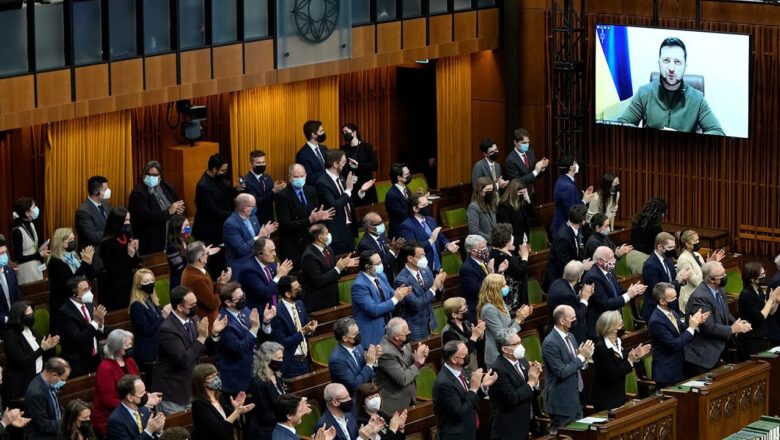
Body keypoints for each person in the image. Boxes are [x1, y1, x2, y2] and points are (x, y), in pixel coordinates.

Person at [617, 37, 724, 134]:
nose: (671, 68)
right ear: (659, 63)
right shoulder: (644, 93)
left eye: (677, 62)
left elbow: (718, 132)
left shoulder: (698, 99)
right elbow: (621, 125)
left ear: (685, 67)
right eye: (666, 60)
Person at [153, 285, 226, 414]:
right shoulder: (167, 330)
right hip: (175, 394)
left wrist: (214, 334)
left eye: (196, 303)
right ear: (180, 307)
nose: (195, 307)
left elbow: (207, 350)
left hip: (193, 389)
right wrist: (202, 338)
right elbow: (183, 360)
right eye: (191, 305)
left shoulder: (194, 319)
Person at [684, 261, 752, 376]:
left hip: (719, 349)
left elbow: (726, 312)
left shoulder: (720, 290)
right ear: (711, 279)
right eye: (723, 275)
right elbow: (708, 328)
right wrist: (732, 329)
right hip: (703, 356)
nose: (726, 277)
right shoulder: (700, 297)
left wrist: (737, 323)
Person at [431, 340, 498, 440]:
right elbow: (461, 412)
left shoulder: (460, 370)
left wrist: (483, 386)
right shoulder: (444, 384)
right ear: (454, 359)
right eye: (465, 355)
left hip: (469, 430)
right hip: (456, 436)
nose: (468, 357)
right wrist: (473, 388)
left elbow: (469, 398)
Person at [216, 282, 274, 394]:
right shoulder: (224, 323)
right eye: (239, 298)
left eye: (243, 295)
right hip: (239, 378)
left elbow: (257, 338)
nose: (243, 299)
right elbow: (239, 349)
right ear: (228, 302)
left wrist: (266, 322)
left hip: (256, 370)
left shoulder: (245, 310)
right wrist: (254, 328)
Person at [648, 282, 709, 388]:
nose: (676, 300)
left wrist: (696, 322)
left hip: (680, 367)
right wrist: (692, 327)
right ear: (662, 301)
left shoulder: (673, 313)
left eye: (676, 296)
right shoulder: (656, 321)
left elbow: (684, 332)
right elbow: (674, 344)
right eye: (672, 298)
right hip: (666, 373)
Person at [542, 305, 594, 428]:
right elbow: (561, 372)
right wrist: (581, 357)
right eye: (572, 318)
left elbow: (575, 364)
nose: (575, 320)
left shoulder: (570, 336)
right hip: (562, 403)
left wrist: (585, 359)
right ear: (562, 321)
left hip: (576, 398)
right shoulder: (550, 343)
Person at [274, 163, 334, 268]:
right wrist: (309, 220)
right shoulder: (282, 196)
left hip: (311, 241)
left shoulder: (310, 190)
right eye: (296, 177)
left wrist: (320, 218)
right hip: (294, 246)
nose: (299, 179)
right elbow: (286, 225)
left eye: (302, 176)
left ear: (306, 175)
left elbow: (316, 214)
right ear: (290, 177)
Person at [589, 311, 651, 411]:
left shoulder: (618, 341)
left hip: (619, 396)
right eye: (619, 320)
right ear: (611, 327)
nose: (622, 321)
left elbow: (625, 364)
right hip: (606, 399)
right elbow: (613, 374)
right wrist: (630, 360)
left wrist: (636, 356)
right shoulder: (601, 348)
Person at [317, 149, 374, 254]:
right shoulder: (322, 183)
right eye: (343, 162)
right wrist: (348, 190)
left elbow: (349, 200)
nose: (345, 165)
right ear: (335, 164)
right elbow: (334, 206)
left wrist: (361, 191)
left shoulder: (342, 178)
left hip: (349, 229)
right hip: (337, 233)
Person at [490, 328, 542, 440]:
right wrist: (531, 382)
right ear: (505, 349)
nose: (521, 346)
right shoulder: (498, 370)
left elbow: (533, 392)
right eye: (516, 343)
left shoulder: (523, 361)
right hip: (508, 429)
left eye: (520, 342)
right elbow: (512, 398)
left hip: (526, 421)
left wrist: (536, 380)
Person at [92, 330, 148, 437]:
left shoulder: (130, 361)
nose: (130, 347)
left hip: (133, 411)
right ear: (116, 347)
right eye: (127, 345)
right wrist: (138, 403)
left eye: (131, 344)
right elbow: (107, 400)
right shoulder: (105, 368)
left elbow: (138, 384)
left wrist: (146, 395)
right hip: (113, 419)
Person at [351, 251, 412, 348]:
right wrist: (396, 298)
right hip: (373, 335)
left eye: (381, 262)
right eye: (377, 264)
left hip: (389, 330)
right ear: (367, 267)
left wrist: (401, 293)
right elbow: (373, 310)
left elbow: (391, 293)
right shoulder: (359, 285)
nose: (381, 265)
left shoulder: (381, 275)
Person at [583, 246, 645, 339]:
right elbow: (604, 304)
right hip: (602, 326)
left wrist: (634, 291)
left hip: (613, 321)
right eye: (610, 258)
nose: (614, 260)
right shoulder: (593, 277)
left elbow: (616, 291)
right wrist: (628, 295)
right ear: (600, 261)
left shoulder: (609, 271)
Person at [3, 301, 58, 402]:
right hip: (21, 384)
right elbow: (22, 362)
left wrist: (50, 347)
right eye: (28, 315)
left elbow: (43, 356)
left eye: (32, 314)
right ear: (19, 317)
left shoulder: (33, 332)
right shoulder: (11, 337)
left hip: (37, 378)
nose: (31, 317)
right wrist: (42, 349)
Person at [193, 154, 236, 278]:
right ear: (214, 169)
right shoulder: (203, 186)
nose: (224, 173)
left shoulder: (219, 179)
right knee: (216, 265)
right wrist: (234, 215)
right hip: (209, 232)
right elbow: (213, 211)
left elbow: (225, 193)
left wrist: (235, 190)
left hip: (220, 227)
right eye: (222, 170)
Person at [128, 160, 185, 255]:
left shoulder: (167, 186)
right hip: (153, 236)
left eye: (155, 175)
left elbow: (179, 203)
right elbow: (146, 216)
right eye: (148, 174)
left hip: (173, 231)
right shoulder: (138, 193)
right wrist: (169, 212)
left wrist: (180, 209)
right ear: (143, 175)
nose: (151, 177)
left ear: (160, 177)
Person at [375, 318, 429, 415]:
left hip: (409, 397)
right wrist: (418, 362)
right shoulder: (386, 353)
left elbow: (408, 365)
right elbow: (402, 379)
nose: (410, 332)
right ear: (397, 336)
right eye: (406, 332)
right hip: (394, 405)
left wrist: (420, 356)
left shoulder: (404, 343)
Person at [299, 224, 359, 312]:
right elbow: (319, 281)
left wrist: (344, 267)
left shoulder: (328, 249)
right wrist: (338, 268)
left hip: (332, 299)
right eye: (327, 233)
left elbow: (333, 272)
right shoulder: (309, 256)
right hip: (319, 303)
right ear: (320, 237)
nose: (329, 234)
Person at [394, 242, 446, 340]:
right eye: (421, 256)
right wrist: (434, 287)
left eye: (424, 255)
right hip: (415, 328)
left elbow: (437, 296)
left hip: (430, 323)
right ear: (410, 258)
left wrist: (440, 285)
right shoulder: (401, 280)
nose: (424, 259)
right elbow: (416, 305)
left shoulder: (425, 269)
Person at [46, 228, 96, 332]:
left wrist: (89, 264)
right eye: (70, 239)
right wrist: (84, 264)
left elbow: (90, 277)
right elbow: (71, 284)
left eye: (73, 238)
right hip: (64, 306)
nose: (73, 241)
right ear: (60, 242)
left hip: (80, 301)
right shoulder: (55, 262)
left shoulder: (74, 256)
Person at [478, 274, 533, 366]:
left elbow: (506, 325)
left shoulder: (500, 302)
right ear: (495, 289)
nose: (506, 287)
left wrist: (521, 316)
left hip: (509, 353)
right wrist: (518, 320)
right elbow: (503, 337)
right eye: (503, 285)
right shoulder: (489, 309)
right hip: (498, 357)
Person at [58, 276, 107, 376]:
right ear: (74, 294)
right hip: (79, 363)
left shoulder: (90, 304)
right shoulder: (65, 312)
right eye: (85, 290)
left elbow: (96, 330)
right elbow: (79, 340)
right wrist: (95, 322)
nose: (89, 292)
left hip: (96, 357)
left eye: (89, 288)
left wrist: (100, 325)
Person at [190, 363, 255, 440]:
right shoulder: (199, 404)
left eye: (215, 375)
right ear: (201, 383)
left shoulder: (220, 397)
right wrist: (236, 412)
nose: (215, 379)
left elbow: (232, 423)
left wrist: (236, 408)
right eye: (210, 378)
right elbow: (219, 430)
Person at [398, 194, 459, 273]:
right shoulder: (406, 226)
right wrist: (431, 240)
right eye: (424, 205)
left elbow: (440, 237)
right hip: (423, 269)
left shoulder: (430, 219)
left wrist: (447, 245)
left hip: (438, 266)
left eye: (428, 203)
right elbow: (413, 248)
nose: (428, 207)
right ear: (415, 208)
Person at [272, 276, 317, 378]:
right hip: (292, 363)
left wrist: (310, 329)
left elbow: (306, 326)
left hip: (306, 360)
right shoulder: (277, 313)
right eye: (297, 289)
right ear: (287, 294)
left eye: (299, 287)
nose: (300, 290)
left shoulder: (300, 304)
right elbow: (282, 342)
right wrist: (303, 333)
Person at [640, 232, 692, 320]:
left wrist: (682, 278)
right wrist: (677, 281)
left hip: (671, 305)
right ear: (660, 247)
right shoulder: (650, 265)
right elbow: (658, 291)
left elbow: (674, 279)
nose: (673, 250)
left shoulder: (668, 259)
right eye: (670, 248)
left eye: (673, 247)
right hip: (656, 309)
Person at [98, 207, 142, 311]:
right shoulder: (107, 243)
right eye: (126, 220)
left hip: (130, 282)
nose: (128, 223)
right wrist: (129, 255)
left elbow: (135, 264)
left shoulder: (127, 236)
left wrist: (134, 253)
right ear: (117, 221)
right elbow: (112, 269)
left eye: (129, 220)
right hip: (116, 288)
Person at [233, 238, 293, 310]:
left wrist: (283, 277)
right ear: (260, 253)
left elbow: (276, 286)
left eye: (274, 250)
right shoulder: (249, 270)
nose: (275, 254)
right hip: (260, 313)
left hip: (275, 308)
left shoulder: (271, 264)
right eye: (271, 251)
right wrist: (279, 276)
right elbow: (265, 293)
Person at [181, 241, 232, 325]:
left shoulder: (196, 269)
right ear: (201, 259)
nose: (208, 254)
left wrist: (219, 281)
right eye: (206, 253)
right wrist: (222, 283)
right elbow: (213, 304)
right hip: (208, 323)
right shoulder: (195, 279)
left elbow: (209, 287)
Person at [737, 263, 780, 360]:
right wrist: (770, 300)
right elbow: (760, 318)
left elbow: (770, 313)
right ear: (752, 279)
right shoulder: (746, 295)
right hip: (750, 341)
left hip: (761, 337)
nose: (764, 276)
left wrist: (776, 301)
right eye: (761, 275)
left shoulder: (759, 290)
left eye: (764, 273)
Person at [128, 269, 171, 366]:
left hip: (159, 347)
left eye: (152, 280)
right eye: (146, 282)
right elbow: (146, 331)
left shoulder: (152, 300)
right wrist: (163, 316)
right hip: (148, 351)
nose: (150, 283)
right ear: (139, 285)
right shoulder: (136, 306)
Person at [675, 229, 725, 312]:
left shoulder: (697, 254)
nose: (698, 242)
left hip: (702, 294)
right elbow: (696, 281)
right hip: (691, 298)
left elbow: (703, 272)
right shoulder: (684, 259)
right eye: (695, 241)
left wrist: (710, 263)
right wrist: (707, 267)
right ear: (687, 244)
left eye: (698, 239)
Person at [328, 317, 380, 395]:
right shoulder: (337, 360)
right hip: (354, 399)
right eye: (355, 334)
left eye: (358, 331)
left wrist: (374, 360)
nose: (358, 335)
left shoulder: (357, 346)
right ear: (345, 338)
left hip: (367, 392)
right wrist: (369, 364)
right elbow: (354, 386)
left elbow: (368, 373)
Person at [543, 204, 589, 291]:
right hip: (559, 280)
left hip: (571, 275)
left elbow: (579, 249)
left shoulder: (578, 229)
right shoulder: (563, 237)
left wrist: (583, 261)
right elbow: (564, 264)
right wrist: (582, 266)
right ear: (582, 221)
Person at [106, 374, 166, 440]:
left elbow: (152, 436)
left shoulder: (144, 409)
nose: (146, 395)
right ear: (130, 397)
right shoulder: (116, 421)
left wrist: (158, 431)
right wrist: (148, 431)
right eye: (142, 393)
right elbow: (148, 433)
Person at [546, 261, 593, 344]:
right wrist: (584, 299)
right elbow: (577, 316)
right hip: (568, 336)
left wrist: (578, 297)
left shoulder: (557, 283)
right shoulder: (567, 295)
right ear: (579, 277)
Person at [247, 341, 287, 440]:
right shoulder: (258, 383)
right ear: (267, 360)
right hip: (268, 431)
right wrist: (287, 417)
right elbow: (265, 414)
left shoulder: (276, 376)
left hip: (280, 424)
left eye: (282, 358)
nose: (281, 361)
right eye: (278, 358)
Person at [223, 193, 277, 266]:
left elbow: (260, 237)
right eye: (253, 206)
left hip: (257, 258)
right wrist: (259, 236)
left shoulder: (253, 217)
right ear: (245, 208)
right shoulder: (231, 224)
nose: (255, 208)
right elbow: (241, 250)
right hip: (241, 263)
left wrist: (267, 233)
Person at [24, 357, 71, 440]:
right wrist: (66, 422)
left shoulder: (49, 383)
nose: (64, 382)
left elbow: (56, 407)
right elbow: (44, 425)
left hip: (55, 430)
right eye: (63, 379)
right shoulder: (36, 393)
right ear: (54, 375)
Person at [459, 234, 501, 323]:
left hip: (492, 305)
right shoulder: (466, 269)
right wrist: (490, 274)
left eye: (486, 246)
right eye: (483, 248)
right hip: (479, 311)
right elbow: (477, 290)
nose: (486, 250)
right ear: (474, 251)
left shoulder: (486, 259)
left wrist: (500, 271)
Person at [490, 223, 530, 312]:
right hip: (513, 300)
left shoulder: (495, 251)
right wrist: (524, 257)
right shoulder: (504, 257)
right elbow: (520, 273)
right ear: (506, 239)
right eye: (511, 235)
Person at [75, 175, 111, 272]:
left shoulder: (106, 205)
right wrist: (111, 230)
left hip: (109, 256)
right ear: (96, 192)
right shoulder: (83, 211)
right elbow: (93, 237)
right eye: (105, 189)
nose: (108, 191)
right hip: (96, 259)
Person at [440, 297, 486, 373]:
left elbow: (475, 346)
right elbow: (462, 353)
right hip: (461, 371)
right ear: (454, 315)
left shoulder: (466, 324)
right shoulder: (448, 333)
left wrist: (480, 336)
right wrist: (474, 336)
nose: (466, 311)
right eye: (463, 310)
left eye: (466, 308)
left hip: (473, 366)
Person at [357, 212, 404, 285]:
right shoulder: (365, 245)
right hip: (379, 281)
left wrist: (391, 248)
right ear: (369, 228)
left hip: (390, 275)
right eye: (378, 224)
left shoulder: (381, 234)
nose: (382, 225)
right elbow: (379, 265)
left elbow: (386, 254)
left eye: (382, 222)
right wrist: (393, 250)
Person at [551, 155, 594, 234]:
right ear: (571, 168)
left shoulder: (565, 179)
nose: (577, 164)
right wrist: (585, 201)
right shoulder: (567, 186)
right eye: (575, 163)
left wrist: (583, 197)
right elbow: (572, 210)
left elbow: (573, 201)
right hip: (564, 228)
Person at [242, 150, 287, 225]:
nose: (261, 165)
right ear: (251, 164)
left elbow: (272, 196)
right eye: (258, 163)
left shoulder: (267, 177)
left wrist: (280, 189)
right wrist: (273, 191)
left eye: (263, 162)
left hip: (269, 218)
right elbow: (256, 202)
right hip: (256, 220)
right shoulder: (247, 181)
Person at [10, 197, 48, 285]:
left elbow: (32, 248)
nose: (36, 209)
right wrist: (38, 255)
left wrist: (39, 250)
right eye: (33, 207)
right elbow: (19, 258)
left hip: (37, 266)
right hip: (26, 271)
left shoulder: (31, 224)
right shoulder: (17, 231)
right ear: (27, 213)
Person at [341, 123, 379, 206]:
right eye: (343, 133)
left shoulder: (366, 147)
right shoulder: (343, 149)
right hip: (351, 184)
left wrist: (359, 165)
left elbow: (374, 166)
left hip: (365, 183)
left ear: (354, 133)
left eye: (346, 132)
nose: (345, 134)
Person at [628, 197, 667, 274]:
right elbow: (662, 246)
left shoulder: (638, 220)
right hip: (643, 258)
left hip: (631, 256)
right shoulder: (655, 227)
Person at [503, 128, 549, 192]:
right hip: (520, 194)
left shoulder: (530, 153)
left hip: (532, 192)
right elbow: (517, 182)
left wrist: (541, 169)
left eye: (528, 142)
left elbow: (535, 175)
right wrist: (536, 171)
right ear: (515, 142)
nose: (527, 145)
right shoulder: (510, 160)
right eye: (524, 143)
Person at [496, 179, 534, 247]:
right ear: (513, 192)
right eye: (520, 193)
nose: (522, 195)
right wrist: (517, 243)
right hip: (513, 243)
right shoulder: (504, 206)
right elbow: (505, 229)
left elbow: (531, 214)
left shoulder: (521, 201)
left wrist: (527, 198)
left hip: (524, 239)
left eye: (524, 192)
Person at [296, 120, 329, 186]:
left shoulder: (324, 148)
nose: (323, 133)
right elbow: (308, 179)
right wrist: (328, 171)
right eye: (321, 131)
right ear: (313, 135)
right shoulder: (302, 154)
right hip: (316, 191)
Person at [386, 163, 413, 239]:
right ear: (399, 177)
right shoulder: (392, 195)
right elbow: (402, 215)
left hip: (408, 228)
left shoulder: (406, 189)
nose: (409, 176)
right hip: (399, 234)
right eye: (406, 174)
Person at [0, 234, 21, 330]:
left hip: (14, 323)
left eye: (5, 252)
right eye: (1, 253)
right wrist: (5, 319)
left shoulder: (10, 271)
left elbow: (17, 295)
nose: (4, 256)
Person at [165, 215, 189, 289]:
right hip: (179, 284)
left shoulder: (186, 241)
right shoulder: (171, 247)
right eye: (186, 226)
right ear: (177, 227)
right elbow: (180, 267)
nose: (188, 228)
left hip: (188, 279)